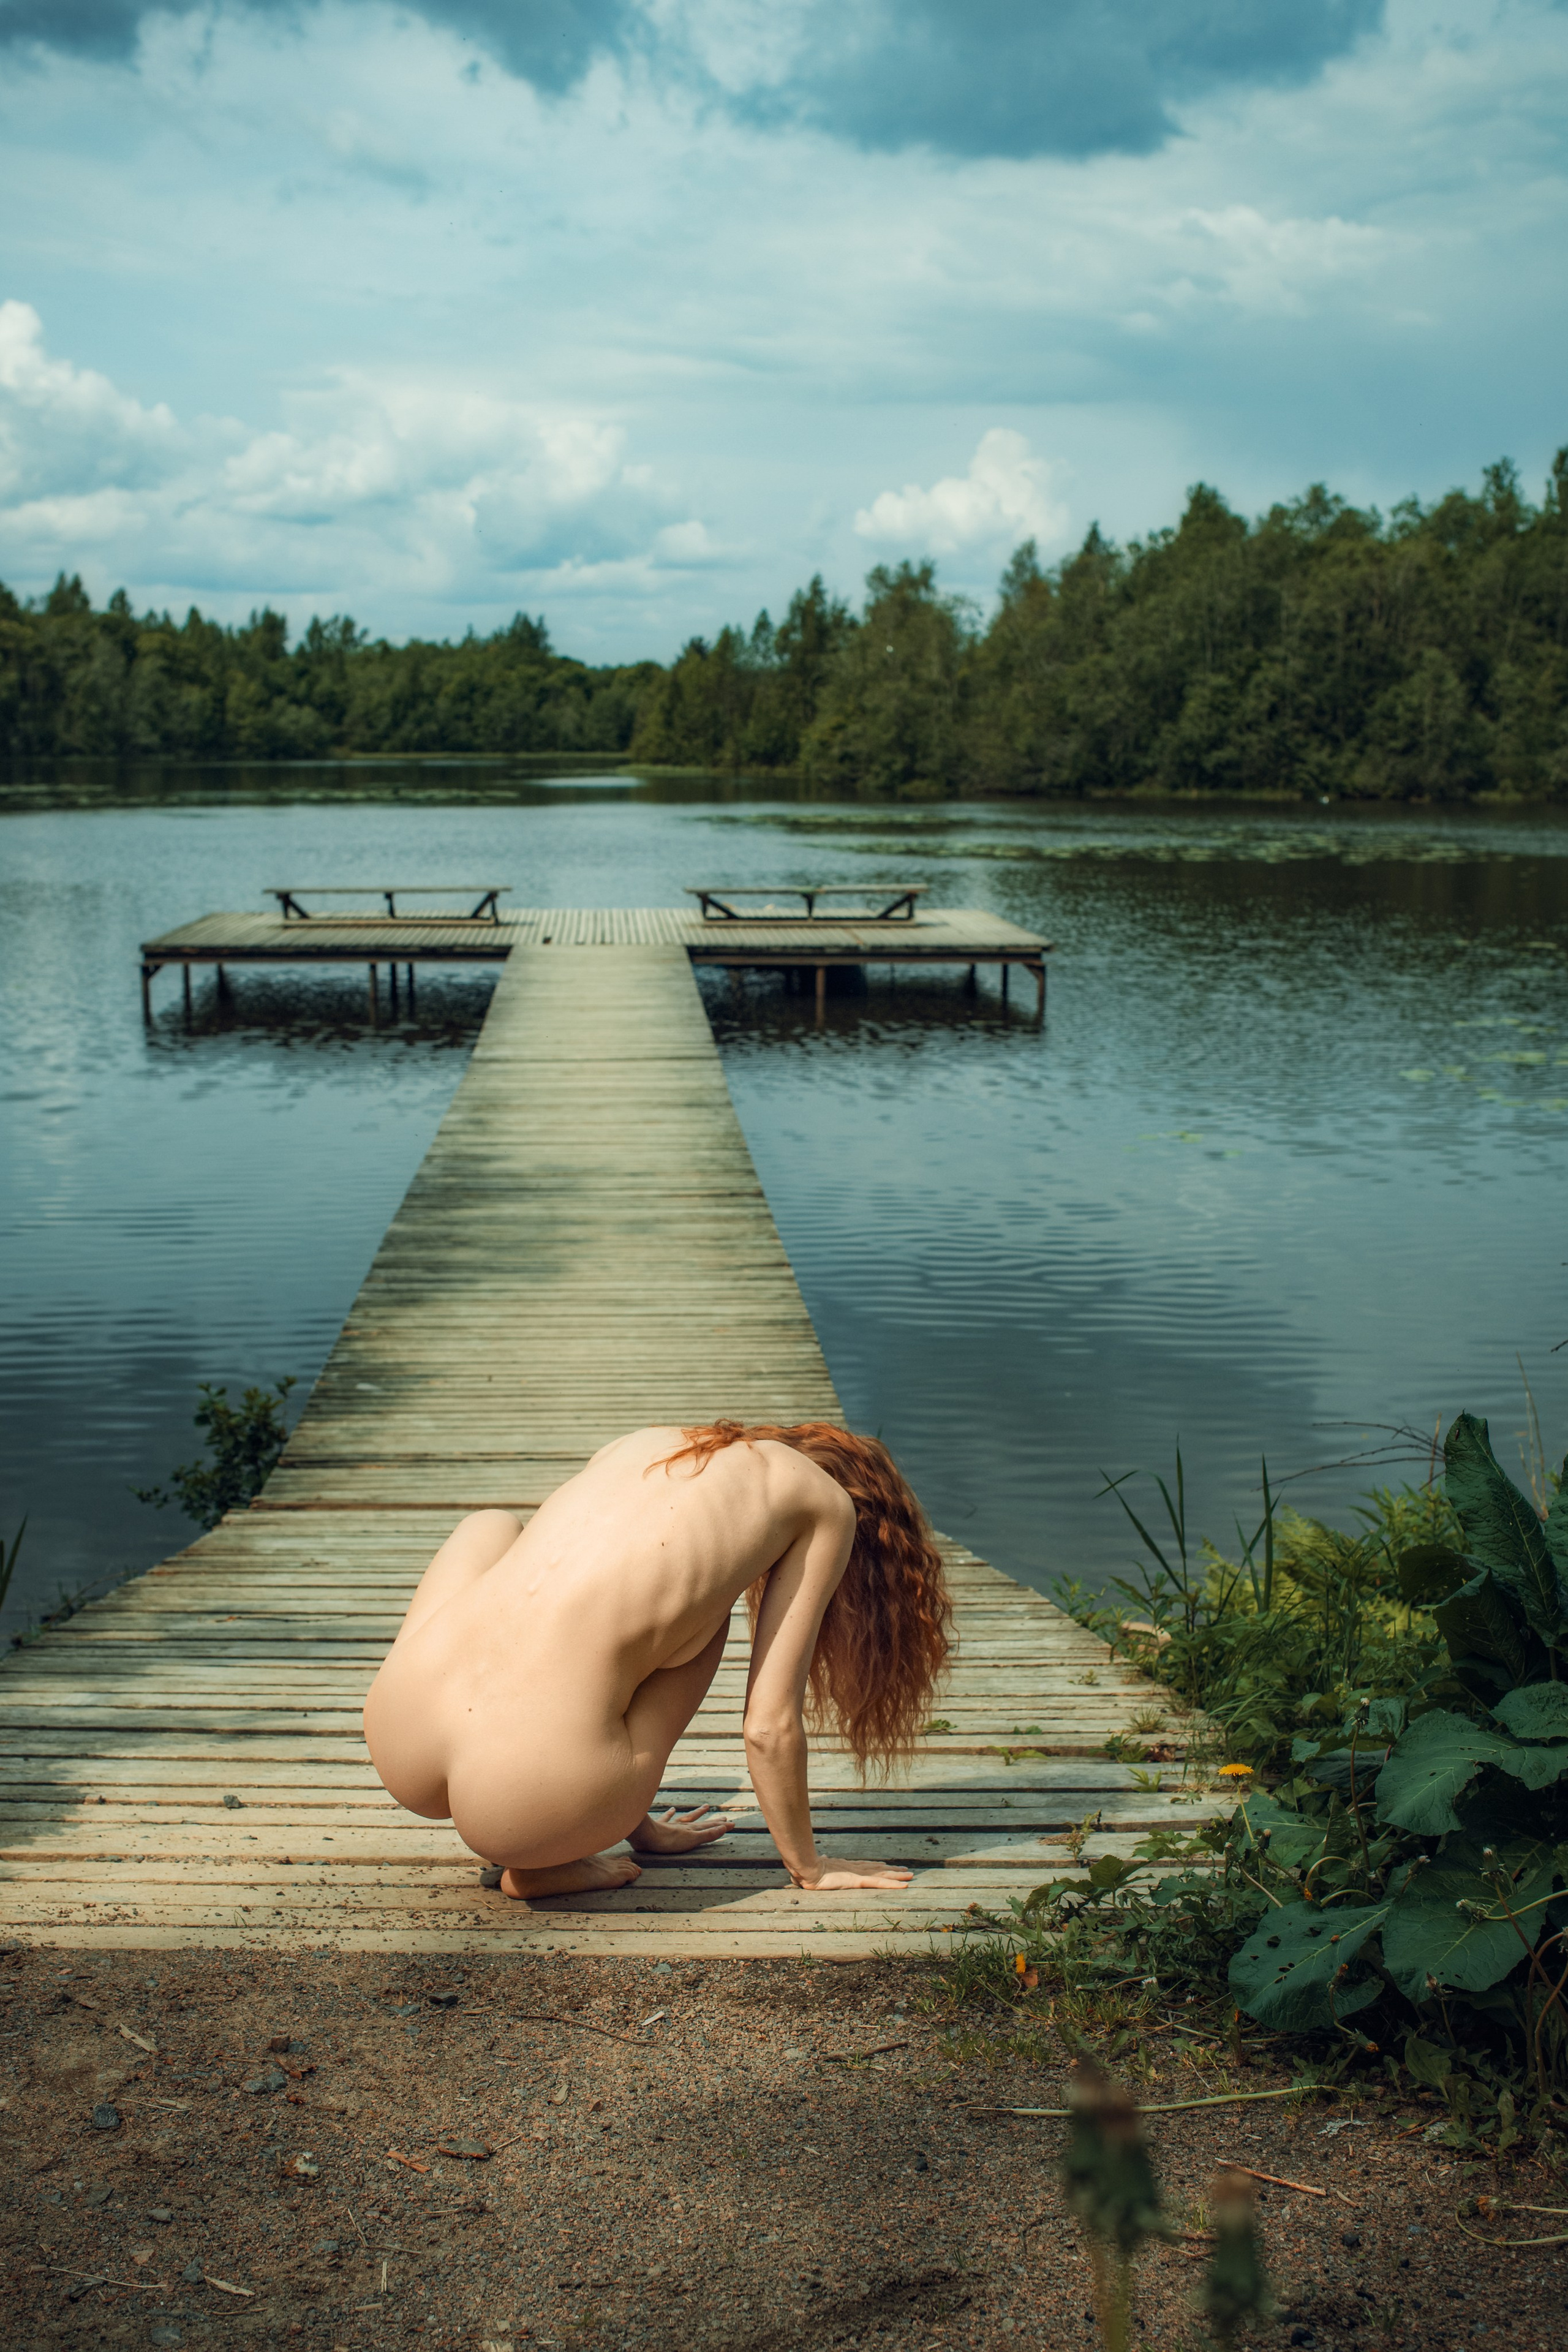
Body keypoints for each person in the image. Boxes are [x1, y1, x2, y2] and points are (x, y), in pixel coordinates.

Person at [362, 1421, 952, 1901]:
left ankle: (591, 1817)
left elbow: (588, 1655)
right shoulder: (825, 1504)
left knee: (494, 1529)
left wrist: (638, 1827)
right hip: (526, 1803)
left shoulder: (647, 1442)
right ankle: (545, 1859)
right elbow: (768, 1726)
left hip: (400, 1731)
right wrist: (811, 1867)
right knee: (701, 1619)